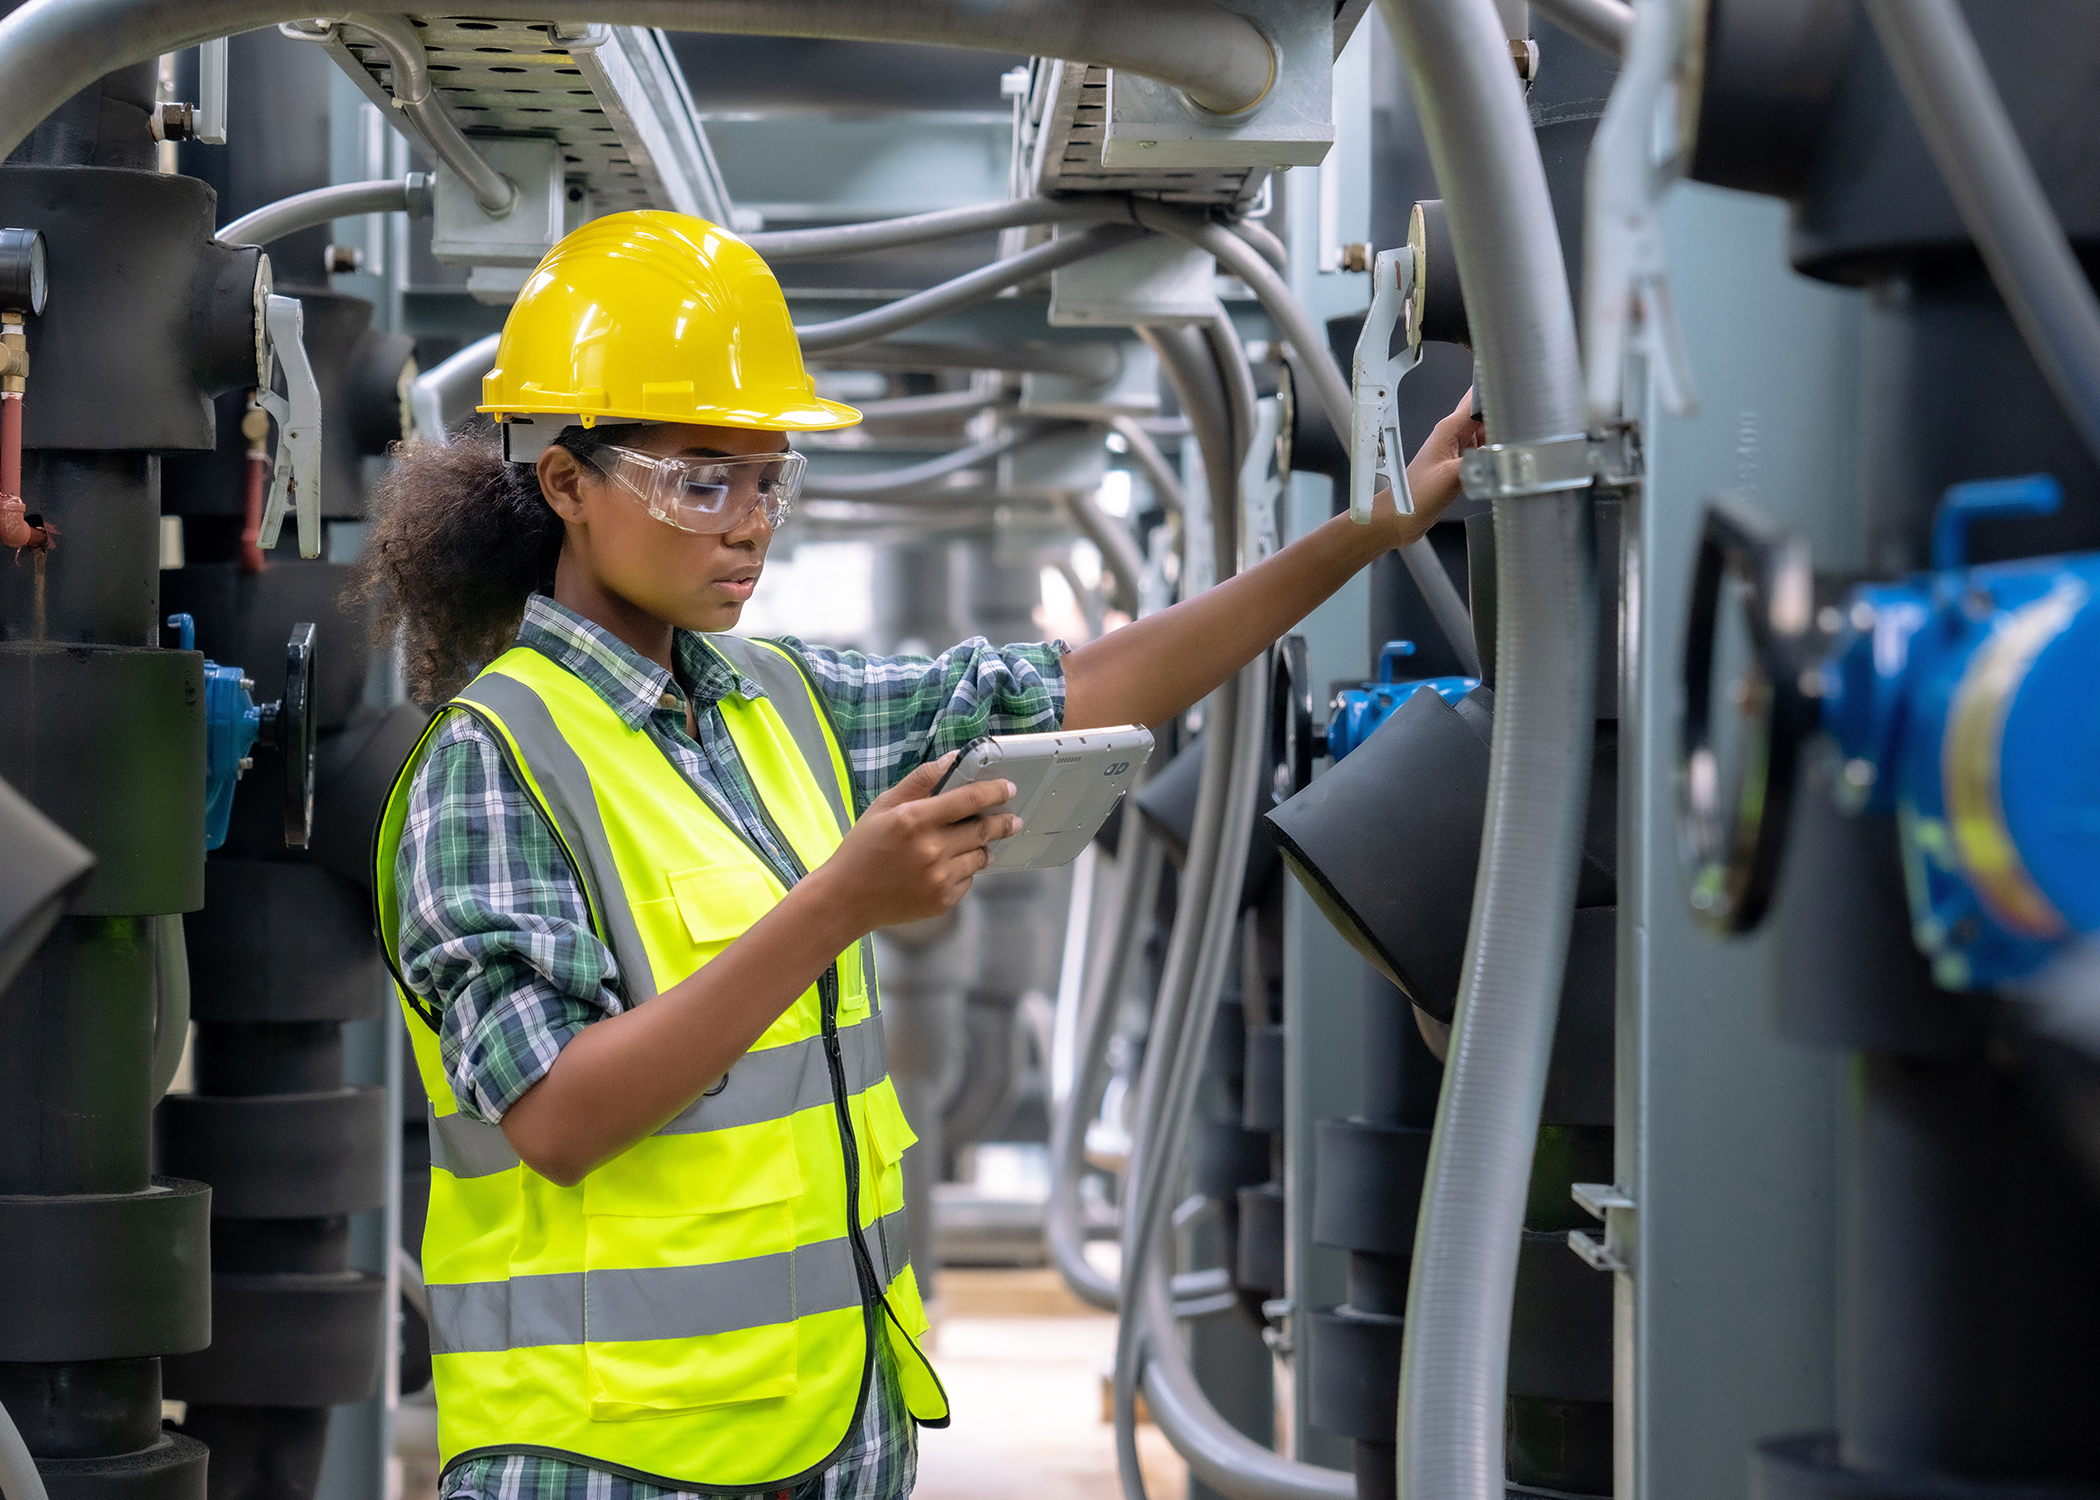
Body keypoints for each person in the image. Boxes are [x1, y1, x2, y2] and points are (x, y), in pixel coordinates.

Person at [360, 210, 1483, 1500]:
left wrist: (1370, 531)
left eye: (769, 481)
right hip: (604, 1459)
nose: (747, 528)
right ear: (566, 483)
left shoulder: (771, 701)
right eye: (699, 480)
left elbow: (1080, 684)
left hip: (830, 1431)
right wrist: (840, 903)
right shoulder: (491, 760)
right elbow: (556, 1117)